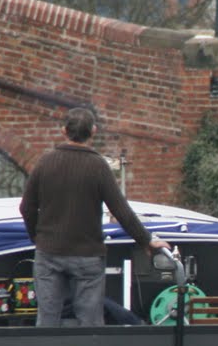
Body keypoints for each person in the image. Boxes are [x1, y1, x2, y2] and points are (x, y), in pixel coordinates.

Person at [19, 105, 171, 327]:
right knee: (90, 321)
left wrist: (37, 237)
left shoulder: (45, 162)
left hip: (49, 253)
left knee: (48, 318)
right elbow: (121, 210)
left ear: (64, 131)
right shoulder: (98, 166)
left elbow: (26, 208)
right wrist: (146, 240)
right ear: (93, 132)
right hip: (88, 255)